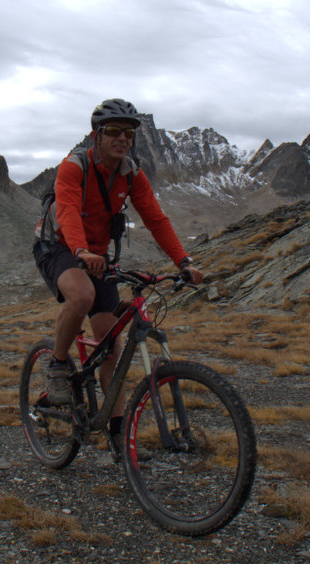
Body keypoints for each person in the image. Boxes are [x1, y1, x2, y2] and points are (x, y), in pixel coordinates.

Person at [33, 98, 203, 453]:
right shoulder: (74, 167)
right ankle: (58, 364)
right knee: (82, 296)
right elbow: (66, 211)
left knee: (111, 346)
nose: (121, 138)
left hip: (97, 255)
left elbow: (155, 219)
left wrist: (183, 261)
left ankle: (116, 431)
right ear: (97, 135)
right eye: (113, 131)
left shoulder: (131, 173)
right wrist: (80, 251)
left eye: (128, 133)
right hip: (60, 246)